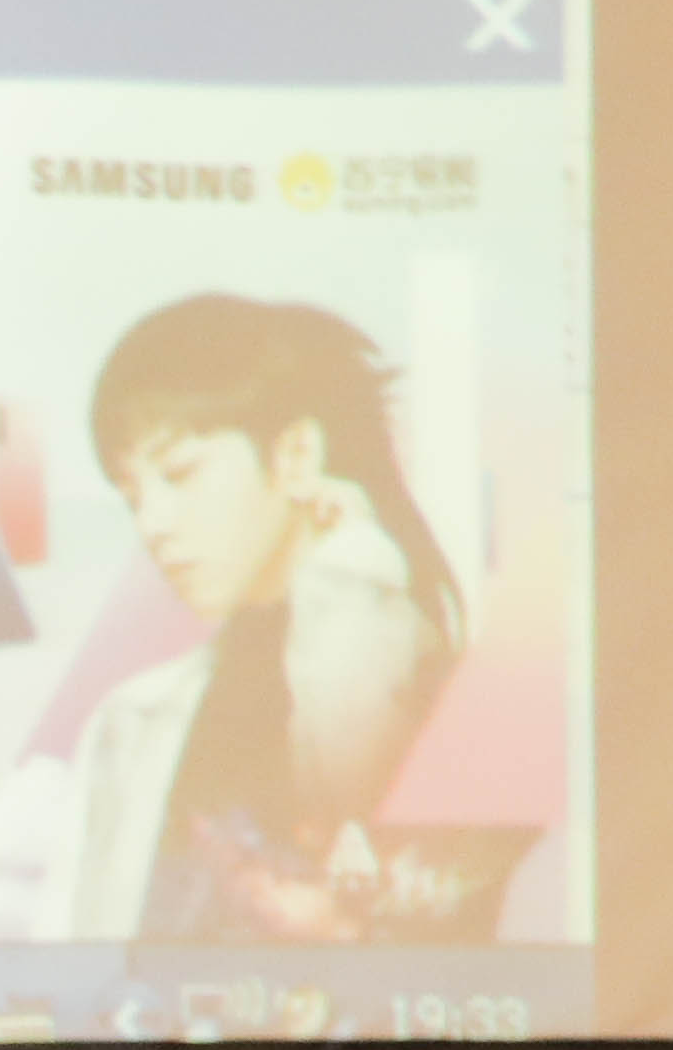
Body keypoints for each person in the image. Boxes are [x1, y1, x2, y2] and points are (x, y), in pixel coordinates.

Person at [61, 292, 474, 947]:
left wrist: (349, 575)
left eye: (180, 474)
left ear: (296, 456)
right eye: (133, 497)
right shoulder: (133, 720)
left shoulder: (419, 673)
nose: (152, 525)